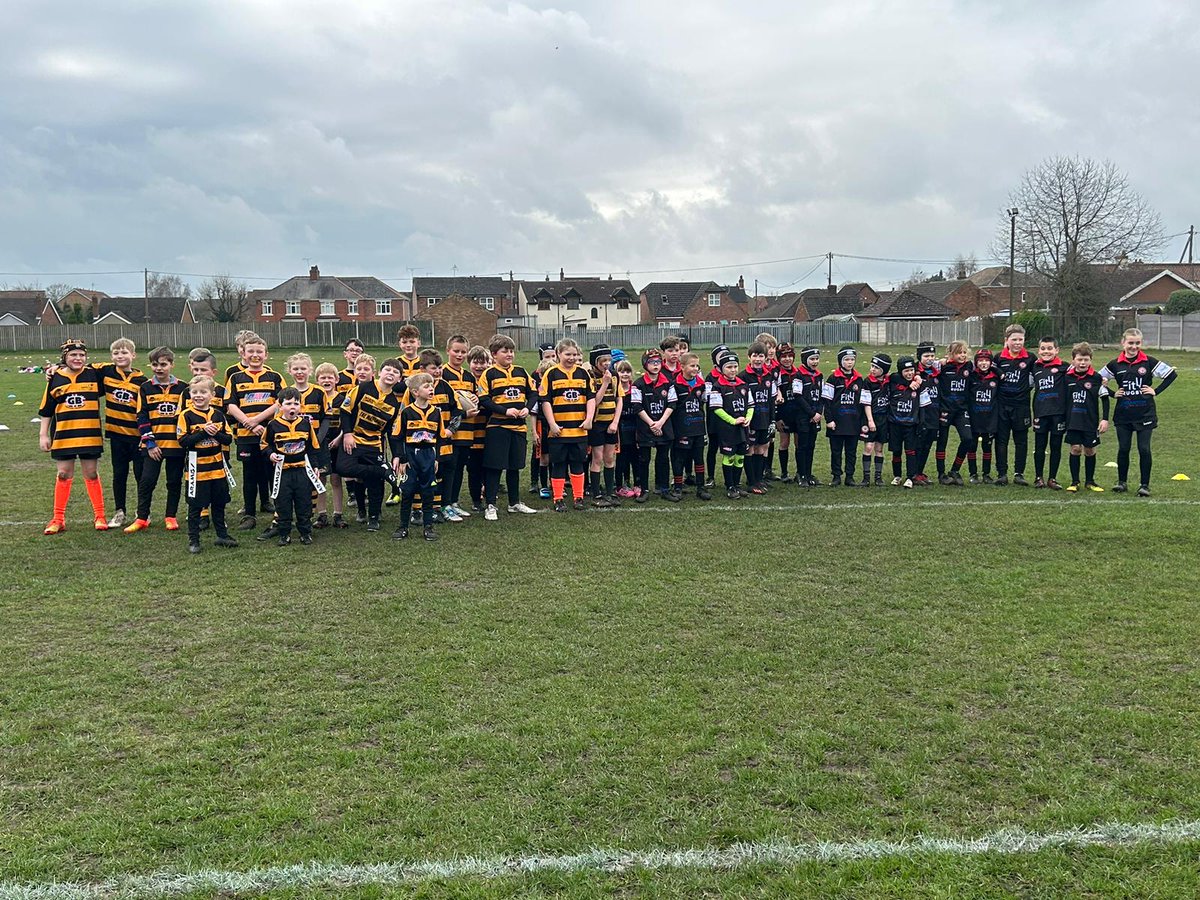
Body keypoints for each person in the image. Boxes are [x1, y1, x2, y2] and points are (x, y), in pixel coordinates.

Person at [38, 339, 108, 534]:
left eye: (81, 355)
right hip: (63, 435)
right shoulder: (55, 378)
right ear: (65, 358)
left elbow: (115, 367)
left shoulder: (94, 374)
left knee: (91, 474)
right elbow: (46, 410)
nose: (78, 358)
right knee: (63, 474)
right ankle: (58, 519)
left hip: (89, 434)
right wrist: (43, 435)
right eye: (73, 355)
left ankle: (100, 516)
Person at [1100, 328, 1177, 496]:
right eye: (1130, 343)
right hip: (1123, 415)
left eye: (1137, 343)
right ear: (1123, 343)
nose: (1133, 347)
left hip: (1145, 414)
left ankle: (1144, 485)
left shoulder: (1149, 362)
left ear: (1140, 343)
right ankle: (1121, 483)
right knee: (1123, 448)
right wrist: (1112, 393)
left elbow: (1171, 374)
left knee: (1144, 449)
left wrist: (1155, 390)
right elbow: (1096, 378)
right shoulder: (1115, 364)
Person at [124, 347, 188, 533]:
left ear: (171, 365)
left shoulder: (183, 388)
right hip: (153, 445)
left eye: (163, 364)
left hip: (175, 444)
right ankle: (142, 518)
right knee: (147, 481)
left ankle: (171, 516)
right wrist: (150, 443)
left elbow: (186, 415)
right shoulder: (145, 387)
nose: (159, 368)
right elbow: (141, 415)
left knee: (173, 481)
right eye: (155, 364)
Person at [223, 334, 284, 529]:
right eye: (251, 352)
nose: (255, 355)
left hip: (270, 435)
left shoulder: (274, 377)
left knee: (273, 471)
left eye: (259, 352)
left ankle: (279, 512)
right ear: (244, 353)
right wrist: (248, 423)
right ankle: (249, 515)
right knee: (249, 474)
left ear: (266, 355)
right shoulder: (235, 377)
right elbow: (230, 405)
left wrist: (257, 420)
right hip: (246, 436)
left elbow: (280, 403)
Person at [338, 355, 404, 531]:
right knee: (345, 469)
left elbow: (392, 432)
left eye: (395, 372)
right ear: (379, 373)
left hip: (374, 444)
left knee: (375, 482)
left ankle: (374, 517)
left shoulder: (395, 404)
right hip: (354, 440)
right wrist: (348, 434)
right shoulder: (362, 389)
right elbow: (345, 411)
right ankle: (362, 507)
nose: (391, 373)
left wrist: (397, 454)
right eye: (388, 370)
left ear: (399, 379)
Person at [477, 335, 539, 520]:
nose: (509, 354)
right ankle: (491, 505)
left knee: (515, 467)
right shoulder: (489, 374)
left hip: (518, 428)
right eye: (505, 351)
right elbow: (484, 399)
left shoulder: (521, 372)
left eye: (511, 351)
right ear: (494, 354)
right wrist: (505, 410)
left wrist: (527, 408)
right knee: (495, 467)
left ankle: (514, 503)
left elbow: (534, 393)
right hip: (498, 427)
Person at [176, 375, 238, 553]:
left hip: (217, 468)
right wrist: (204, 432)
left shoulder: (218, 415)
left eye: (203, 392)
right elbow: (183, 441)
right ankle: (194, 540)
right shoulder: (185, 415)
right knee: (195, 506)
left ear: (212, 394)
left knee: (219, 504)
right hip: (197, 469)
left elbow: (228, 439)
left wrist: (215, 433)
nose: (198, 395)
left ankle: (222, 535)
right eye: (194, 392)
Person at [258, 387, 322, 546]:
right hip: (282, 472)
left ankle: (305, 533)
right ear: (279, 406)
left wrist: (315, 466)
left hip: (302, 471)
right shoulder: (273, 425)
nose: (292, 407)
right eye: (288, 403)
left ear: (301, 406)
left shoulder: (306, 424)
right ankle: (284, 534)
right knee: (283, 503)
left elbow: (312, 448)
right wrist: (270, 454)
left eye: (296, 403)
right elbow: (264, 444)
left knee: (304, 502)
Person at [540, 338, 595, 511]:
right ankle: (558, 499)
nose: (571, 358)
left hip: (579, 431)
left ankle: (578, 497)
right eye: (567, 354)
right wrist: (552, 424)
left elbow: (591, 398)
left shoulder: (583, 374)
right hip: (559, 431)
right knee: (559, 464)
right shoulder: (551, 374)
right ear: (558, 354)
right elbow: (545, 401)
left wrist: (589, 419)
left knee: (578, 463)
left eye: (574, 354)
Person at [390, 372, 442, 540]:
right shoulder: (406, 412)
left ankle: (428, 527)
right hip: (411, 456)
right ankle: (403, 527)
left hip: (428, 456)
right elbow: (397, 437)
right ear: (415, 392)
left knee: (428, 493)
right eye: (426, 386)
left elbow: (440, 438)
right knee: (408, 493)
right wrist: (402, 458)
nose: (431, 389)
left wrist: (437, 458)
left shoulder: (436, 413)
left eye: (432, 385)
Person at [822, 346, 874, 487]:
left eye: (852, 359)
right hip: (837, 423)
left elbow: (863, 402)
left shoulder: (859, 379)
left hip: (853, 422)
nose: (849, 363)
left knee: (851, 452)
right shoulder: (833, 378)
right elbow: (826, 402)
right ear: (840, 361)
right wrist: (829, 420)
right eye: (846, 360)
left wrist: (863, 421)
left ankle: (849, 477)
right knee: (836, 451)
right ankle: (836, 476)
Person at [630, 348, 677, 502]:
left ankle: (663, 488)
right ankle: (643, 489)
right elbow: (637, 407)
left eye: (658, 362)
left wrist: (661, 423)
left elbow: (672, 403)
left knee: (663, 458)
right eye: (651, 362)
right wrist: (652, 424)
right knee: (644, 459)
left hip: (664, 426)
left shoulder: (668, 383)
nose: (655, 365)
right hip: (645, 427)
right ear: (645, 364)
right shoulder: (638, 384)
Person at [1064, 342, 1110, 493]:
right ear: (1073, 361)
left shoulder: (1097, 378)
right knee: (1076, 449)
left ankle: (1090, 481)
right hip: (1073, 421)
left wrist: (1104, 419)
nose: (1082, 363)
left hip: (1090, 421)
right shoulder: (1067, 377)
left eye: (1086, 360)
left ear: (1090, 360)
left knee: (1089, 450)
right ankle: (1074, 481)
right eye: (1079, 359)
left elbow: (1104, 398)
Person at [441, 335, 478, 521]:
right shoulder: (442, 374)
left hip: (467, 431)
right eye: (456, 351)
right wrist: (462, 413)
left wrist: (474, 402)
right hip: (448, 431)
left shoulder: (469, 377)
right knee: (448, 467)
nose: (459, 355)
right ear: (448, 350)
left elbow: (473, 399)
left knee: (459, 467)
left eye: (463, 352)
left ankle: (453, 502)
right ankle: (444, 504)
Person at [708, 349, 752, 499]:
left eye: (735, 366)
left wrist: (748, 418)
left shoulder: (744, 385)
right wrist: (733, 421)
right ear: (721, 369)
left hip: (743, 428)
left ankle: (737, 484)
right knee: (729, 456)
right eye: (729, 367)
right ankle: (730, 486)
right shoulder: (717, 386)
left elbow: (751, 405)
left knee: (740, 456)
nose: (733, 370)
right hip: (727, 429)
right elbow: (716, 409)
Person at [994, 324, 1033, 486]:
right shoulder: (998, 358)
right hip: (1002, 406)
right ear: (1006, 341)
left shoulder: (1031, 358)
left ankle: (1019, 474)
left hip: (1021, 406)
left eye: (1021, 339)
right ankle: (1002, 473)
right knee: (1001, 440)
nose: (1018, 343)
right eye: (1014, 339)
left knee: (1021, 441)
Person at [672, 352, 711, 500]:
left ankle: (701, 487)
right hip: (682, 428)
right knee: (680, 458)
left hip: (698, 427)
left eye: (697, 366)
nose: (695, 368)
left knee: (699, 458)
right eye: (692, 365)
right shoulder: (675, 385)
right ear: (682, 367)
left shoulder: (701, 384)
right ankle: (677, 486)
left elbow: (703, 402)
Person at [587, 344, 622, 506]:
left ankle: (610, 492)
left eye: (609, 360)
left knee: (609, 457)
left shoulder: (615, 375)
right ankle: (596, 494)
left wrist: (615, 421)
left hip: (611, 423)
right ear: (596, 362)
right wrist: (605, 383)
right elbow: (594, 401)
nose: (607, 364)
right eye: (603, 361)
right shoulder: (591, 376)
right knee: (597, 458)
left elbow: (619, 398)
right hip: (596, 423)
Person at [1031, 337, 1068, 490]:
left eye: (1050, 348)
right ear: (1039, 351)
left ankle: (1052, 478)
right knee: (1040, 446)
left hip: (1058, 413)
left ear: (1056, 350)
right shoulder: (1034, 367)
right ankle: (1038, 477)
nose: (1046, 351)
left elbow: (1082, 374)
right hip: (1040, 412)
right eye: (1043, 349)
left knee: (1055, 446)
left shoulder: (1065, 367)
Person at [741, 341, 778, 494]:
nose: (758, 359)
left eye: (761, 356)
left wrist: (772, 420)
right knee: (750, 448)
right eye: (755, 356)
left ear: (765, 358)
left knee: (762, 448)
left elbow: (771, 400)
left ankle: (759, 479)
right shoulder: (743, 376)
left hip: (765, 418)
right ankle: (751, 481)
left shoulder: (769, 376)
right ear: (749, 357)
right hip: (751, 420)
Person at [936, 341, 974, 485]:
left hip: (961, 410)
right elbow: (925, 366)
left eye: (964, 352)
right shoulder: (943, 367)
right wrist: (940, 361)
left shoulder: (969, 366)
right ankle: (941, 474)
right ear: (951, 354)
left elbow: (987, 364)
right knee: (942, 443)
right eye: (959, 352)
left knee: (968, 439)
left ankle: (955, 470)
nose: (962, 355)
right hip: (945, 410)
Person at [313, 362, 345, 527]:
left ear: (336, 379)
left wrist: (339, 438)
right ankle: (322, 514)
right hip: (320, 444)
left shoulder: (342, 399)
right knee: (321, 478)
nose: (326, 380)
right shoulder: (316, 397)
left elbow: (346, 423)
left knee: (336, 479)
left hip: (337, 443)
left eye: (330, 377)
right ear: (317, 380)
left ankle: (338, 514)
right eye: (322, 377)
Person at [886, 356, 923, 488]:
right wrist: (908, 383)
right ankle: (897, 475)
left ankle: (910, 477)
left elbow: (923, 404)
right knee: (896, 451)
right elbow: (894, 376)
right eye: (906, 371)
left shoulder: (918, 384)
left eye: (912, 370)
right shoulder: (894, 381)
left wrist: (917, 376)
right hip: (895, 423)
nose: (909, 373)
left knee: (910, 451)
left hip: (911, 424)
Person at [463, 345, 491, 513]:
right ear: (469, 363)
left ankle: (489, 494)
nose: (479, 366)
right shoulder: (466, 381)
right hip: (470, 432)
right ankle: (476, 499)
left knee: (490, 466)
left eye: (483, 362)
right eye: (476, 362)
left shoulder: (492, 379)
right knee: (473, 467)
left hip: (490, 431)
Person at [967, 349, 1000, 484]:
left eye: (987, 360)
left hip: (990, 419)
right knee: (972, 446)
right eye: (980, 361)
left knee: (987, 447)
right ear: (976, 362)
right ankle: (973, 473)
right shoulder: (971, 376)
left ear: (991, 363)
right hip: (974, 417)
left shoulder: (995, 377)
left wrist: (999, 372)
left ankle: (986, 474)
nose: (984, 363)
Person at [791, 347, 823, 486]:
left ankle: (809, 474)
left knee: (811, 445)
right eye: (812, 359)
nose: (815, 362)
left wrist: (818, 413)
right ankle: (801, 474)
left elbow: (822, 396)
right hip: (803, 416)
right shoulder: (798, 375)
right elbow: (798, 396)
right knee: (802, 445)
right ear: (805, 360)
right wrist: (811, 413)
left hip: (815, 416)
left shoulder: (819, 375)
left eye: (816, 358)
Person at [911, 342, 940, 485]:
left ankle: (920, 472)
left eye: (932, 356)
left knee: (928, 444)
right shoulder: (913, 371)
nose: (930, 358)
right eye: (926, 356)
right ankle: (913, 473)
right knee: (918, 444)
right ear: (919, 356)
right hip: (919, 414)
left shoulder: (936, 371)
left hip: (934, 413)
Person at [863, 353, 891, 486]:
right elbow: (866, 403)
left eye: (876, 367)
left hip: (884, 420)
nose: (872, 369)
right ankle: (866, 477)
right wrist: (870, 420)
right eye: (872, 366)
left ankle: (878, 478)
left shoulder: (889, 381)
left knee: (879, 449)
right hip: (871, 418)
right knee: (868, 447)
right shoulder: (867, 382)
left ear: (884, 370)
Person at [774, 343, 800, 482]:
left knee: (798, 443)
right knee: (784, 442)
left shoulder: (798, 373)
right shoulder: (776, 374)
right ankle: (784, 473)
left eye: (790, 356)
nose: (787, 359)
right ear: (778, 358)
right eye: (784, 357)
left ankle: (799, 472)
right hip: (784, 414)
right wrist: (777, 418)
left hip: (797, 414)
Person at [614, 359, 639, 498]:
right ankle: (620, 485)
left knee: (635, 457)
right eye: (621, 371)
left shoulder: (635, 389)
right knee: (621, 458)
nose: (625, 374)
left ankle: (636, 483)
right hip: (620, 430)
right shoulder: (614, 391)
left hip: (634, 430)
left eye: (628, 371)